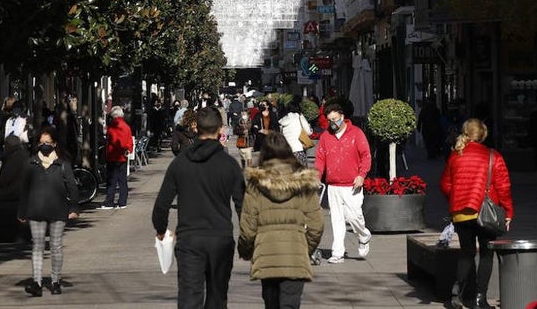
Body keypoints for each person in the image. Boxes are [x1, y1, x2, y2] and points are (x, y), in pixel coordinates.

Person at [152, 106, 245, 309]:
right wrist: (248, 238)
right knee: (217, 296)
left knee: (189, 296)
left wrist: (161, 229)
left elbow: (162, 204)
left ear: (196, 129)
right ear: (221, 129)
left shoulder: (180, 163)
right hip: (220, 238)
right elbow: (242, 205)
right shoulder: (229, 165)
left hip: (190, 240)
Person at [237, 131, 325, 309]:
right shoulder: (303, 182)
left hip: (266, 256)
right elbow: (317, 224)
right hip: (295, 256)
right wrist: (305, 249)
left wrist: (246, 251)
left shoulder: (255, 185)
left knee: (271, 304)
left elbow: (248, 227)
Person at [439, 118, 514, 309]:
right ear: (483, 134)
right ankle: (480, 298)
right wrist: (508, 212)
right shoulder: (492, 156)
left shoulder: (456, 155)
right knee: (487, 255)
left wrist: (456, 196)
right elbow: (503, 186)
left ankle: (458, 290)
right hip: (485, 213)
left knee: (467, 253)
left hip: (461, 213)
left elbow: (445, 184)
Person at [17, 126, 80, 296]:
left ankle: (55, 281)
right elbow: (24, 189)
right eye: (42, 142)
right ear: (37, 143)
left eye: (48, 142)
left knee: (56, 247)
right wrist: (22, 212)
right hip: (36, 211)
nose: (44, 145)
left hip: (58, 211)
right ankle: (36, 283)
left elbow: (72, 187)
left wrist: (74, 207)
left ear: (55, 144)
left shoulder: (62, 164)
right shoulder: (31, 163)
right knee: (37, 246)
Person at [314, 101, 372, 264]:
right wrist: (317, 178)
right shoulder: (326, 136)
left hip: (352, 184)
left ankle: (363, 235)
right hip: (333, 184)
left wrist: (361, 175)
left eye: (336, 119)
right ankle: (337, 252)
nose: (333, 123)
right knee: (337, 219)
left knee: (354, 216)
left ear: (343, 117)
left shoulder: (356, 133)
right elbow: (320, 159)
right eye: (330, 120)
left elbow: (366, 155)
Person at [100, 105, 134, 209]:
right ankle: (122, 202)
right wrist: (128, 149)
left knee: (112, 180)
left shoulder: (112, 127)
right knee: (123, 180)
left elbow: (113, 140)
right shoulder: (127, 126)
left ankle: (109, 201)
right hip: (123, 156)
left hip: (113, 156)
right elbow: (129, 141)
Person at [278, 96, 314, 166]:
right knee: (301, 173)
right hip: (298, 149)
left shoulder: (283, 120)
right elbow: (308, 132)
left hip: (287, 151)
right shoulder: (299, 116)